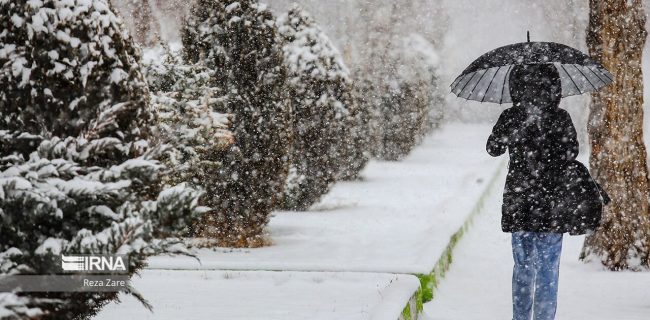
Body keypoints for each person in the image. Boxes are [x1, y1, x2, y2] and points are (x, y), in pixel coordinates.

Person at [486, 64, 578, 320]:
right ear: (555, 87)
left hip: (520, 202)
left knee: (524, 268)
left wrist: (515, 131)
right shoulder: (561, 117)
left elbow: (492, 148)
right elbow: (572, 154)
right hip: (552, 203)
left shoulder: (511, 116)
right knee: (548, 269)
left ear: (515, 87)